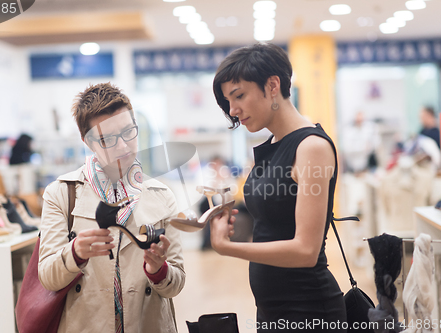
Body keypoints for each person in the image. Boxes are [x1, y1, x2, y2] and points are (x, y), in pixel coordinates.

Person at [209, 43, 346, 332]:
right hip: (272, 309)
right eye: (228, 101)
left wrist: (228, 248)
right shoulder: (270, 146)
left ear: (273, 85)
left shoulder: (311, 148)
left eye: (239, 96)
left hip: (309, 310)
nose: (233, 110)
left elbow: (305, 251)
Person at [38, 83, 185, 333]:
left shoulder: (162, 196)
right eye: (107, 139)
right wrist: (75, 253)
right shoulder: (62, 193)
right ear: (87, 141)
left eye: (129, 132)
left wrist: (158, 270)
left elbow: (176, 284)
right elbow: (48, 278)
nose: (123, 145)